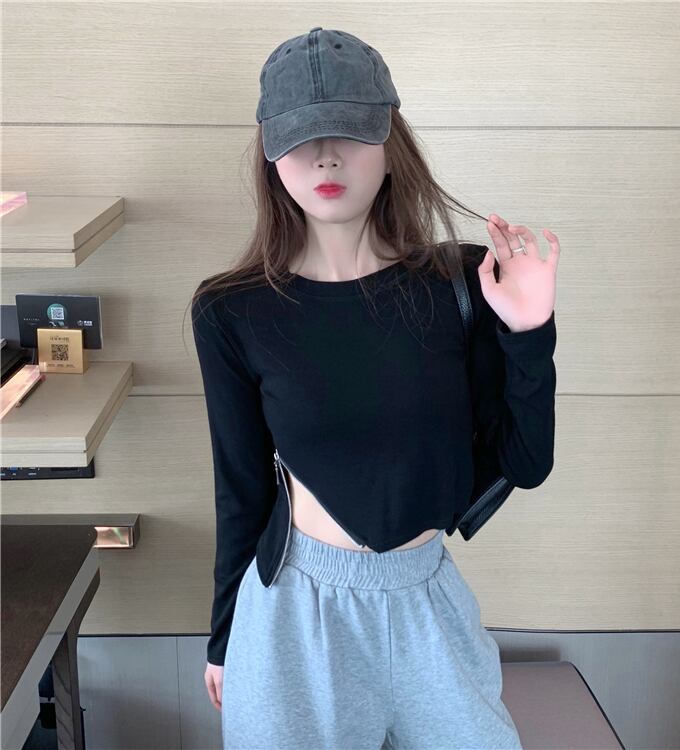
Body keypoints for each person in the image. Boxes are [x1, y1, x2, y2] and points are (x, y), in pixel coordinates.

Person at [189, 26, 560, 750]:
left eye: (350, 132)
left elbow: (527, 461)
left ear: (391, 137)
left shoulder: (464, 283)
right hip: (292, 615)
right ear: (270, 152)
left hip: (427, 602)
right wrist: (224, 638)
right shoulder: (232, 310)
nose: (325, 156)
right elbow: (241, 487)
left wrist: (529, 330)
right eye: (301, 137)